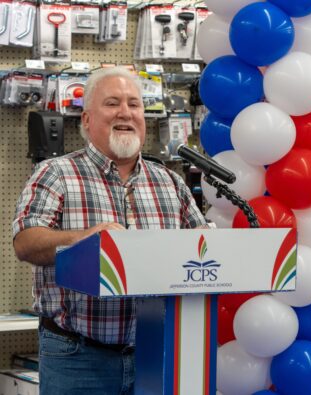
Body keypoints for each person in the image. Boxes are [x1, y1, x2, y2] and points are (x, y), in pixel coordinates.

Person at [12, 66, 207, 394]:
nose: (125, 113)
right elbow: (26, 242)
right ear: (86, 119)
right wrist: (83, 239)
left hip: (158, 354)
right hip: (78, 358)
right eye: (112, 103)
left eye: (134, 104)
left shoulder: (170, 182)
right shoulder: (56, 174)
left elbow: (203, 248)